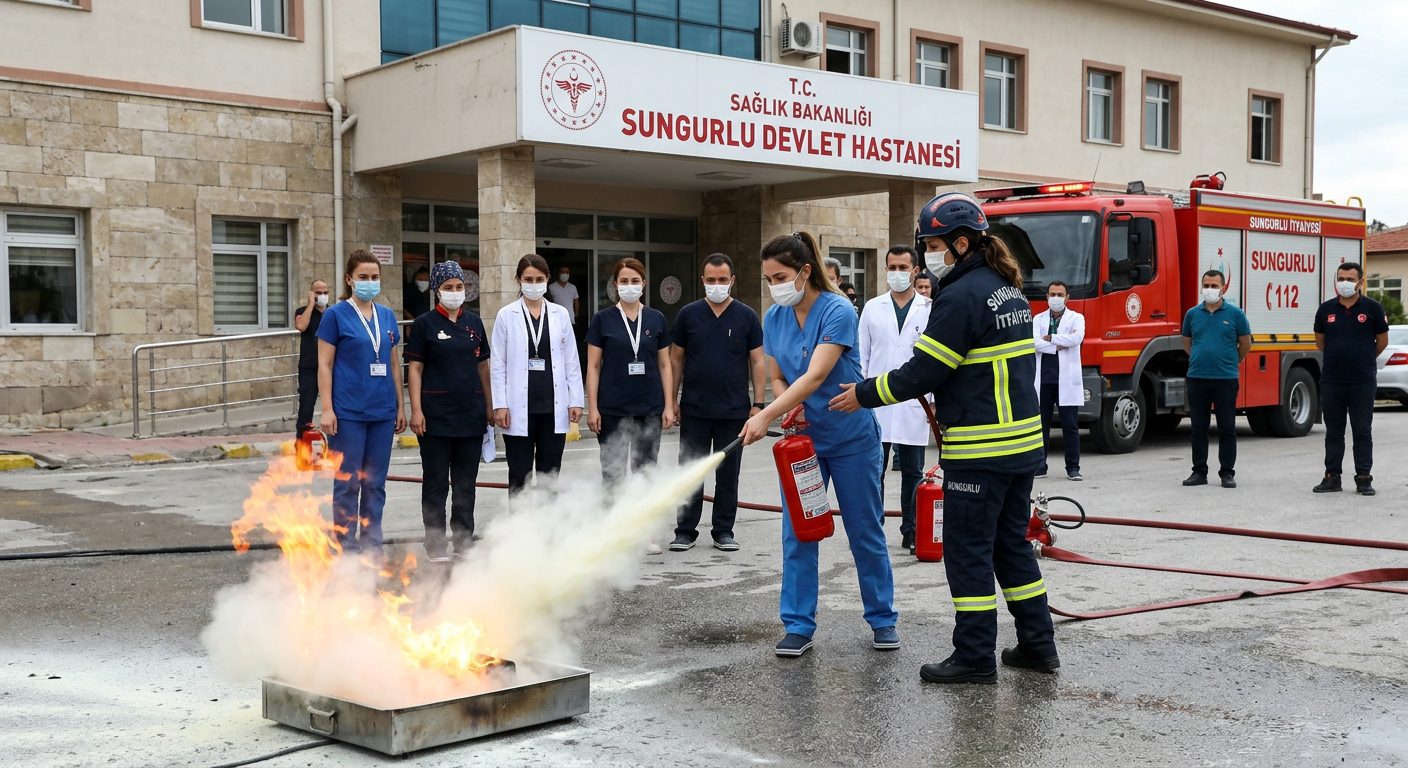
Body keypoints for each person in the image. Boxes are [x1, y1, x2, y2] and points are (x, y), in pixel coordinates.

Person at [829, 192, 1058, 684]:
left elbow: (925, 370)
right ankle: (1038, 645)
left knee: (968, 551)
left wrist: (864, 393)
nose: (927, 256)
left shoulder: (960, 295)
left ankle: (974, 656)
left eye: (932, 244)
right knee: (1010, 547)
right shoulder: (1005, 287)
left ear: (958, 243)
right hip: (1021, 447)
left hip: (982, 450)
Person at [739, 231, 898, 658]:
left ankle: (882, 619)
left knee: (865, 530)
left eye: (781, 275)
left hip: (851, 440)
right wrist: (785, 407)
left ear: (805, 271)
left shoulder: (838, 310)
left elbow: (813, 376)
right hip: (805, 444)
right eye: (768, 277)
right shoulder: (774, 318)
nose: (774, 285)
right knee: (799, 532)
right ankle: (797, 624)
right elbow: (779, 377)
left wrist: (766, 415)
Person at [668, 253, 765, 553]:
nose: (717, 285)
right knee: (690, 472)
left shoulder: (747, 316)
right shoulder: (688, 314)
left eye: (722, 280)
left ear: (732, 281)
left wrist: (758, 404)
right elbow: (675, 358)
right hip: (695, 409)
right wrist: (671, 401)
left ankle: (724, 531)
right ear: (702, 281)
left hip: (734, 410)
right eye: (711, 280)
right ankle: (685, 531)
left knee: (727, 475)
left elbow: (758, 361)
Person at [317, 250, 406, 557]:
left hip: (381, 412)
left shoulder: (386, 316)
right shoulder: (335, 315)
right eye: (363, 277)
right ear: (349, 280)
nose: (370, 282)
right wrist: (327, 409)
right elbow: (325, 365)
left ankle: (372, 546)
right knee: (347, 483)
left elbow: (394, 365)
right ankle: (345, 547)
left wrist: (400, 406)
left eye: (374, 277)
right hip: (348, 414)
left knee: (375, 484)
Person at [406, 262, 492, 563]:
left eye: (459, 287)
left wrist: (489, 406)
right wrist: (416, 410)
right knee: (436, 482)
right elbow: (414, 369)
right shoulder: (424, 325)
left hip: (470, 414)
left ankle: (464, 541)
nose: (455, 292)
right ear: (436, 290)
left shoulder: (474, 323)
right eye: (448, 287)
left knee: (466, 484)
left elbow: (483, 366)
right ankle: (435, 544)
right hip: (435, 417)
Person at [859, 245, 932, 552]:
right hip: (876, 399)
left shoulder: (930, 308)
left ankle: (912, 530)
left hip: (916, 401)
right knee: (874, 469)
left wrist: (935, 399)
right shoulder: (872, 307)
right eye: (892, 268)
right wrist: (859, 395)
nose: (897, 274)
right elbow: (861, 356)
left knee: (914, 472)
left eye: (903, 268)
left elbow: (936, 361)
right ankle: (872, 529)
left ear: (915, 272)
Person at [492, 254, 584, 496]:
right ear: (519, 280)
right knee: (519, 475)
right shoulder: (506, 315)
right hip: (517, 408)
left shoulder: (560, 314)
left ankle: (547, 531)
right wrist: (500, 405)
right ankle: (520, 531)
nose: (534, 284)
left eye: (539, 279)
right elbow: (498, 364)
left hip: (553, 408)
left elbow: (571, 360)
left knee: (550, 475)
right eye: (528, 279)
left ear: (547, 280)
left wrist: (575, 399)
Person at [585, 257, 675, 489]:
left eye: (635, 280)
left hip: (649, 407)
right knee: (612, 473)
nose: (630, 285)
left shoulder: (657, 318)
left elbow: (665, 364)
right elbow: (593, 366)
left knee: (645, 472)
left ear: (644, 283)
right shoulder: (602, 320)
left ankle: (642, 523)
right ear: (615, 284)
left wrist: (668, 405)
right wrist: (592, 408)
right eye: (624, 280)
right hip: (612, 408)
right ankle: (614, 522)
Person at [1312, 262, 1390, 495]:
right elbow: (1320, 341)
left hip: (1362, 381)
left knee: (1362, 430)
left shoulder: (1373, 309)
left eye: (1349, 279)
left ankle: (1363, 478)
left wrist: (1363, 358)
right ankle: (1332, 477)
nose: (1344, 283)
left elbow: (1382, 341)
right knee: (1334, 431)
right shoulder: (1326, 310)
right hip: (1332, 380)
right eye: (1341, 278)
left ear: (1360, 282)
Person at [1180, 270, 1251, 489]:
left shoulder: (1236, 314)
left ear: (1223, 288)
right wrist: (1200, 359)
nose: (1209, 289)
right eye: (1206, 285)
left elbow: (1245, 343)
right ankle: (1199, 472)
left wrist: (1230, 362)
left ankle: (1227, 473)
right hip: (1197, 378)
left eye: (1214, 285)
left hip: (1225, 379)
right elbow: (1187, 342)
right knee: (1198, 428)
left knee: (1227, 427)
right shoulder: (1192, 314)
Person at [1033, 280, 1085, 481]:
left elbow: (1076, 338)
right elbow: (1033, 342)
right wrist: (1058, 343)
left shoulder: (1076, 318)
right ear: (1047, 297)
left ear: (1067, 297)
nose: (1056, 298)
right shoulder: (1037, 319)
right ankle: (1040, 466)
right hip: (1044, 380)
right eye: (1052, 294)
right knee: (1041, 425)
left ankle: (1073, 467)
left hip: (1066, 380)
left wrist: (1049, 339)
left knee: (1070, 426)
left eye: (1060, 294)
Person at [294, 278, 330, 439]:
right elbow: (301, 326)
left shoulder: (333, 313)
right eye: (318, 293)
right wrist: (310, 305)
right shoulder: (302, 311)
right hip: (309, 367)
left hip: (330, 368)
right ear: (311, 294)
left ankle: (336, 446)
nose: (322, 295)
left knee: (336, 407)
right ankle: (301, 446)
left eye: (325, 292)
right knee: (306, 408)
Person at [547, 263, 581, 327]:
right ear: (558, 273)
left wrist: (575, 315)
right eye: (562, 272)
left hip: (570, 320)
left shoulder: (573, 287)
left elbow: (576, 302)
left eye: (567, 272)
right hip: (556, 321)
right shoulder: (551, 287)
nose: (565, 274)